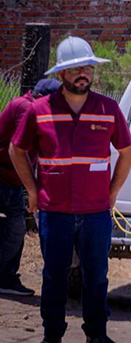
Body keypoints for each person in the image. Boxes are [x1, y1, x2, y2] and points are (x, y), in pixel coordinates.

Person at [9, 37, 131, 343]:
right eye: (76, 69)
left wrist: (113, 193)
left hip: (96, 212)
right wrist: (32, 190)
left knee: (97, 276)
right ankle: (52, 335)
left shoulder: (107, 109)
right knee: (54, 276)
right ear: (61, 73)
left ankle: (97, 334)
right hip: (55, 212)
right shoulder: (39, 110)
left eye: (88, 68)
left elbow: (128, 152)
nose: (84, 74)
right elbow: (16, 150)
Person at [0, 78, 61, 296]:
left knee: (16, 228)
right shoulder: (26, 108)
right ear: (41, 98)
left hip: (13, 182)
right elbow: (21, 148)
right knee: (15, 228)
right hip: (3, 177)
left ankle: (5, 278)